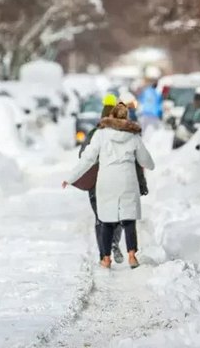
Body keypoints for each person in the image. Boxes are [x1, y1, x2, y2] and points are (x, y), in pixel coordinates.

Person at [64, 103, 155, 269]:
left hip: (106, 181)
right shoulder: (133, 137)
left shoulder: (100, 135)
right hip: (127, 181)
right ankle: (132, 256)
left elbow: (87, 159)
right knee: (128, 220)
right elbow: (146, 161)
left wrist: (70, 178)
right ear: (126, 117)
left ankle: (105, 259)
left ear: (110, 116)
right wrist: (151, 165)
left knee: (106, 220)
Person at [80, 94, 123, 263]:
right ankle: (113, 242)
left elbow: (82, 155)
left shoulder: (93, 134)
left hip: (96, 184)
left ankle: (103, 254)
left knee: (100, 218)